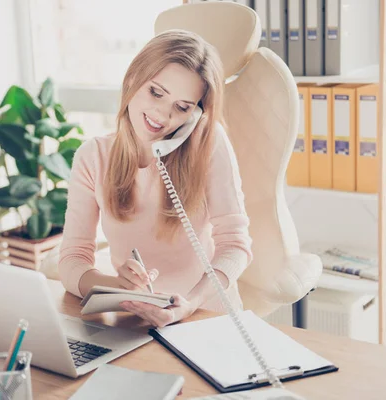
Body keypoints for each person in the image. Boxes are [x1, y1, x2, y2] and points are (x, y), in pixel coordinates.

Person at [58, 29, 252, 328]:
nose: (162, 114)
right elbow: (73, 258)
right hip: (131, 322)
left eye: (182, 106)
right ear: (134, 78)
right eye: (156, 92)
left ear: (196, 113)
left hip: (204, 317)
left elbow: (235, 245)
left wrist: (191, 303)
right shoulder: (92, 156)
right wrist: (117, 289)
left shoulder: (209, 143)